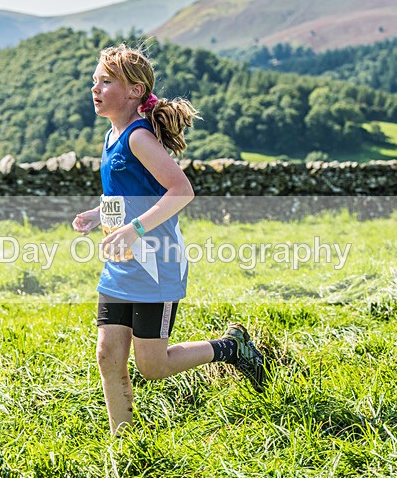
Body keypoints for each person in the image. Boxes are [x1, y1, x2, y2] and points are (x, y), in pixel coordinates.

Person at [72, 43, 268, 435]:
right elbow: (126, 196)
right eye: (94, 81)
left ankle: (230, 347)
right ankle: (123, 443)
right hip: (121, 266)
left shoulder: (138, 138)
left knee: (153, 366)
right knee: (108, 354)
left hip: (155, 266)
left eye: (106, 81)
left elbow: (181, 190)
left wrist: (134, 229)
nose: (95, 89)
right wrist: (101, 215)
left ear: (134, 91)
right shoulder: (112, 138)